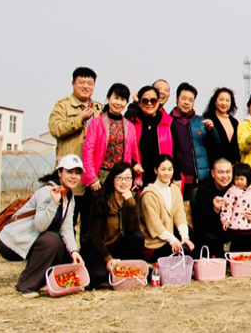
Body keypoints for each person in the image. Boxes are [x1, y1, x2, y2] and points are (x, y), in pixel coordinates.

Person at [0, 155, 85, 297]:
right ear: (59, 172)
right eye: (69, 172)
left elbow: (67, 228)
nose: (74, 176)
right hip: (12, 241)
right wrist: (54, 203)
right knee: (51, 240)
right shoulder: (47, 192)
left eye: (77, 173)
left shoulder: (70, 197)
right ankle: (26, 286)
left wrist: (74, 251)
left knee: (61, 247)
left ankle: (47, 282)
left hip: (31, 240)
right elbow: (39, 226)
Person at [81, 83, 141, 239]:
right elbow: (88, 150)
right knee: (94, 216)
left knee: (116, 215)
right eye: (116, 98)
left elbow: (134, 153)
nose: (118, 103)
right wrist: (91, 177)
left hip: (120, 177)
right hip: (99, 177)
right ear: (108, 98)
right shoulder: (96, 123)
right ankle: (88, 248)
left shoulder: (129, 126)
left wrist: (137, 177)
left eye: (123, 100)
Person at [48, 67, 103, 229]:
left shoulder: (98, 108)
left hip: (91, 176)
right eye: (81, 82)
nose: (85, 86)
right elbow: (55, 129)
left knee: (89, 223)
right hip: (70, 175)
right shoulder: (63, 105)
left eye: (89, 83)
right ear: (73, 83)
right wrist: (79, 119)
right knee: (65, 221)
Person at [81, 162, 145, 289]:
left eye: (128, 178)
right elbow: (94, 235)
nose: (124, 182)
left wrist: (130, 203)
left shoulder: (133, 198)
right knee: (98, 276)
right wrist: (108, 259)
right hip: (100, 248)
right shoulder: (101, 198)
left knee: (138, 237)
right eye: (119, 178)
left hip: (119, 246)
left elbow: (133, 228)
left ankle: (127, 270)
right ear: (112, 180)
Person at [170, 82, 219, 205]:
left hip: (197, 180)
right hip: (174, 179)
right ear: (177, 99)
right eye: (184, 98)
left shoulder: (200, 122)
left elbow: (215, 145)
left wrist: (211, 131)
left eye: (190, 100)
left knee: (195, 213)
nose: (187, 102)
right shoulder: (168, 121)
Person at [140, 155, 194, 261]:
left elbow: (180, 215)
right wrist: (173, 240)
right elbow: (154, 225)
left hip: (170, 237)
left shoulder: (175, 190)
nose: (167, 173)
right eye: (163, 169)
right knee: (178, 251)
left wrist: (185, 237)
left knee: (190, 238)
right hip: (155, 243)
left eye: (170, 169)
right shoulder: (149, 194)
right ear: (155, 170)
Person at [127, 85, 174, 186]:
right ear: (139, 103)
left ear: (158, 102)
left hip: (163, 177)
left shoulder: (169, 122)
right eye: (145, 101)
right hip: (138, 177)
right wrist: (134, 164)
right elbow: (126, 149)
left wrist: (177, 176)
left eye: (153, 100)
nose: (149, 103)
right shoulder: (132, 122)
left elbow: (177, 151)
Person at [192, 157, 239, 258]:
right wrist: (214, 210)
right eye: (220, 172)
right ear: (213, 173)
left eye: (228, 172)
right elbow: (200, 222)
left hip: (232, 226)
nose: (225, 176)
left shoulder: (236, 186)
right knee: (208, 238)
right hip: (210, 229)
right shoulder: (204, 189)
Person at [220, 162, 251, 252]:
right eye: (236, 179)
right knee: (236, 246)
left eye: (242, 179)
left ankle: (250, 259)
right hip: (235, 226)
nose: (239, 182)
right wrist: (225, 220)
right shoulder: (232, 191)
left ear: (248, 178)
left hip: (249, 225)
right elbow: (226, 206)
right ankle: (234, 258)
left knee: (249, 245)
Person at [203, 87, 241, 170]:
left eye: (227, 100)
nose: (224, 103)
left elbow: (235, 146)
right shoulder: (208, 119)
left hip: (231, 168)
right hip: (214, 167)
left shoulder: (234, 122)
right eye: (221, 100)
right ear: (215, 101)